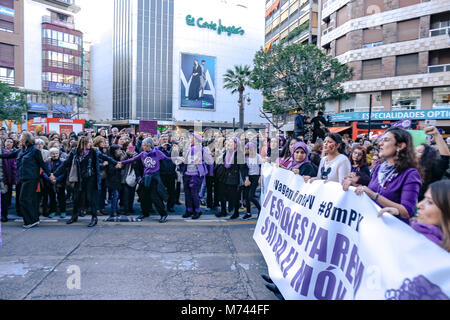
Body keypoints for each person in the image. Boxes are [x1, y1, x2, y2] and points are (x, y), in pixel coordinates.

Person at [343, 127, 422, 224]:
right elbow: (369, 191)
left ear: (400, 146)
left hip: (392, 232)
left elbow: (407, 212)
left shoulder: (410, 174)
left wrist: (374, 196)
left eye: (386, 140)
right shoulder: (378, 169)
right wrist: (355, 186)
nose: (380, 143)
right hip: (372, 226)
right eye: (381, 140)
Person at [54, 136, 118, 227]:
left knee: (91, 199)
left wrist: (117, 163)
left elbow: (105, 157)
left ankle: (94, 218)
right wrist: (54, 174)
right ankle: (74, 216)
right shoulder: (75, 152)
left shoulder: (94, 151)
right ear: (83, 143)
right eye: (88, 142)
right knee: (76, 198)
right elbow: (65, 164)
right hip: (79, 179)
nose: (90, 144)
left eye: (91, 142)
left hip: (91, 179)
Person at [119, 138, 182, 223]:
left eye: (144, 145)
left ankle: (163, 214)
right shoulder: (142, 154)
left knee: (155, 197)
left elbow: (167, 158)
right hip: (146, 177)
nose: (142, 146)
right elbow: (132, 159)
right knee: (142, 195)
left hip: (155, 178)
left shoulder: (157, 153)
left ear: (149, 145)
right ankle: (145, 213)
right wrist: (121, 162)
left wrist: (178, 158)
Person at [0, 132, 55, 229]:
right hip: (22, 179)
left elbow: (42, 164)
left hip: (31, 179)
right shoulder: (20, 150)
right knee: (29, 200)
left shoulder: (35, 151)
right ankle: (34, 219)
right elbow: (6, 156)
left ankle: (30, 221)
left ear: (26, 139)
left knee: (23, 199)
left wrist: (50, 175)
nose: (19, 139)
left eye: (21, 137)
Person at [378, 180, 450, 252]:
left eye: (430, 202)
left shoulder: (428, 248)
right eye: (424, 199)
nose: (419, 205)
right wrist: (397, 216)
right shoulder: (419, 232)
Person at [179, 133, 213, 219]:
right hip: (186, 173)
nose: (190, 139)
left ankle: (197, 211)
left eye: (192, 138)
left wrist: (201, 162)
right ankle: (189, 210)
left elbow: (210, 161)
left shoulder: (202, 150)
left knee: (194, 194)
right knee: (187, 193)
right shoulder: (188, 148)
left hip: (196, 174)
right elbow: (184, 159)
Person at [415, 126, 450, 201]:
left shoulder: (433, 169)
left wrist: (436, 134)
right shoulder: (408, 169)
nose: (415, 153)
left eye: (419, 152)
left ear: (427, 156)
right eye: (414, 151)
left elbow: (445, 157)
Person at [42, 148, 67, 219]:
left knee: (61, 197)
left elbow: (63, 172)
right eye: (53, 153)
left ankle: (63, 211)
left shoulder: (62, 161)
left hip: (59, 182)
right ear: (50, 154)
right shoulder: (47, 161)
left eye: (56, 153)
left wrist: (56, 179)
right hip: (49, 182)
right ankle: (53, 211)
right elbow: (44, 171)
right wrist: (49, 178)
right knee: (52, 197)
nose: (55, 155)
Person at [242, 142, 262, 219]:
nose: (247, 150)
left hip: (255, 177)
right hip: (248, 177)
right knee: (246, 196)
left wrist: (260, 178)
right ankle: (248, 212)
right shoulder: (245, 157)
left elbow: (261, 167)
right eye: (246, 149)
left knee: (250, 196)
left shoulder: (257, 156)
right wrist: (246, 178)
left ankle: (260, 209)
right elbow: (244, 169)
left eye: (248, 149)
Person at [158, 134, 177, 213]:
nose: (165, 140)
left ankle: (170, 206)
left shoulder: (172, 149)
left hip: (171, 173)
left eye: (166, 139)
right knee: (160, 191)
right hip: (161, 174)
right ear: (160, 141)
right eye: (163, 139)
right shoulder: (158, 149)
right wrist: (161, 147)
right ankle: (161, 206)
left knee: (171, 191)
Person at [1, 138, 17, 222]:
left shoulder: (14, 153)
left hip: (10, 177)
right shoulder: (2, 152)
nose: (9, 143)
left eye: (11, 142)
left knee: (6, 197)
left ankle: (4, 215)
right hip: (3, 178)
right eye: (7, 141)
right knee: (4, 197)